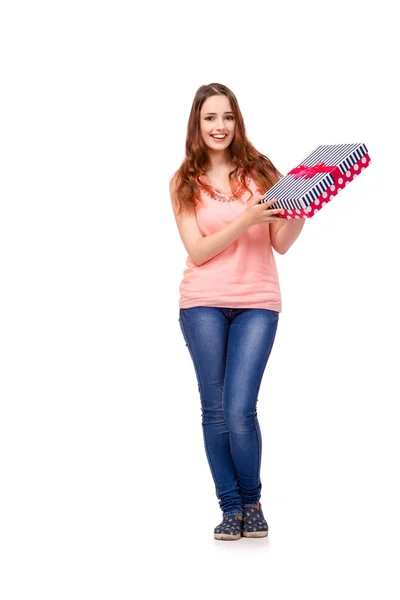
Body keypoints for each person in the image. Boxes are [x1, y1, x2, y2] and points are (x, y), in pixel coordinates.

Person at [169, 83, 305, 541]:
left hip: (257, 303)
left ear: (237, 121)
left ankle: (252, 502)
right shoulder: (184, 181)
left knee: (240, 408)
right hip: (202, 302)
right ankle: (230, 508)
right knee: (216, 410)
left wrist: (302, 210)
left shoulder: (263, 171)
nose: (219, 126)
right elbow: (198, 249)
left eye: (227, 117)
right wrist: (246, 219)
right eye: (210, 118)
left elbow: (280, 244)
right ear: (197, 124)